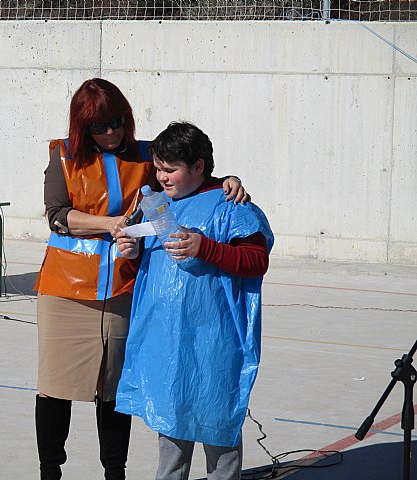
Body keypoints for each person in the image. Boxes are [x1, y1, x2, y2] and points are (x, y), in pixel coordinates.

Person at [33, 79, 249, 480]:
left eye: (117, 122)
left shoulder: (147, 154)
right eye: (99, 126)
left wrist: (228, 182)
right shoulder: (63, 155)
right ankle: (50, 472)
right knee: (54, 387)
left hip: (122, 287)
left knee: (113, 390)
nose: (111, 132)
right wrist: (108, 224)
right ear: (82, 127)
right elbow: (57, 215)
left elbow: (189, 174)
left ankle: (115, 473)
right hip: (66, 289)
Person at [115, 122, 274, 480]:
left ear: (199, 166)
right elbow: (152, 264)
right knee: (170, 424)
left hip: (214, 339)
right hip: (167, 339)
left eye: (170, 170)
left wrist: (206, 247)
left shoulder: (231, 204)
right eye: (158, 169)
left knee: (218, 426)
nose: (162, 177)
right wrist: (132, 252)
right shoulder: (156, 206)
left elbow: (256, 261)